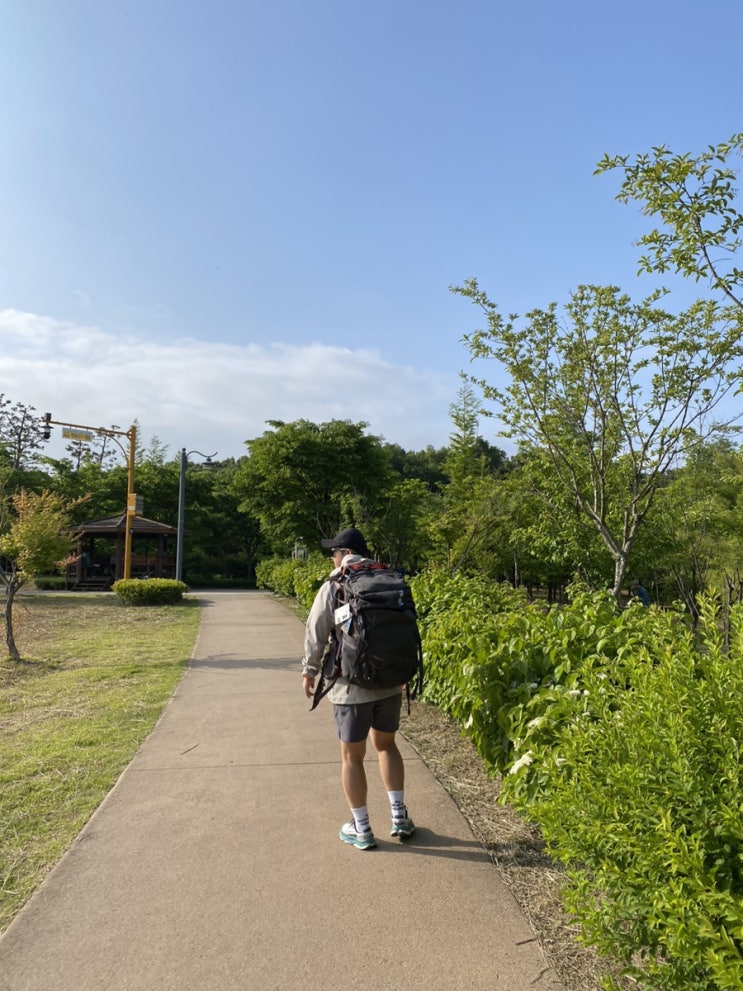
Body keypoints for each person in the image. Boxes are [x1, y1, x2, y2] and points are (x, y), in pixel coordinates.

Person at [301, 527, 415, 851]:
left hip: (351, 686)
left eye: (333, 552)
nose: (332, 558)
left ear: (344, 553)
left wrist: (309, 671)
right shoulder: (389, 579)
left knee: (352, 757)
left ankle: (361, 829)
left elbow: (316, 630)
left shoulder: (335, 585)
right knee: (387, 746)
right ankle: (399, 817)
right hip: (389, 683)